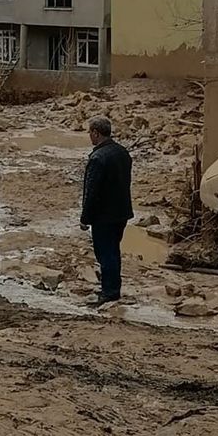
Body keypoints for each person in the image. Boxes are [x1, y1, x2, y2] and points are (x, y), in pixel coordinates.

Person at [81, 116, 134, 305]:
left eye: (90, 133)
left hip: (104, 215)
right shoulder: (122, 152)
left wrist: (85, 217)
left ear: (96, 133)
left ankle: (109, 291)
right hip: (121, 211)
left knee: (105, 252)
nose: (89, 136)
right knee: (113, 250)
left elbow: (91, 191)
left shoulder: (97, 158)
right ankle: (113, 288)